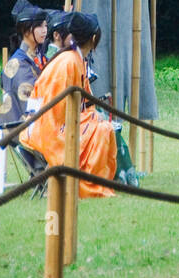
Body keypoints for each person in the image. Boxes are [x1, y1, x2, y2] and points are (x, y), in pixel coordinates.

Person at [23, 11, 117, 198]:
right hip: (48, 129)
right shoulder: (68, 62)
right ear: (93, 38)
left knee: (103, 125)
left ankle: (95, 181)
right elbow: (54, 111)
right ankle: (88, 185)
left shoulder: (76, 59)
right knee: (103, 130)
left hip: (63, 121)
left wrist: (91, 115)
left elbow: (83, 102)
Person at [0, 0, 49, 178]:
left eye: (45, 26)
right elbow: (32, 103)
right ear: (26, 31)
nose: (45, 30)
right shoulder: (18, 63)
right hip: (24, 128)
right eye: (40, 26)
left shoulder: (33, 56)